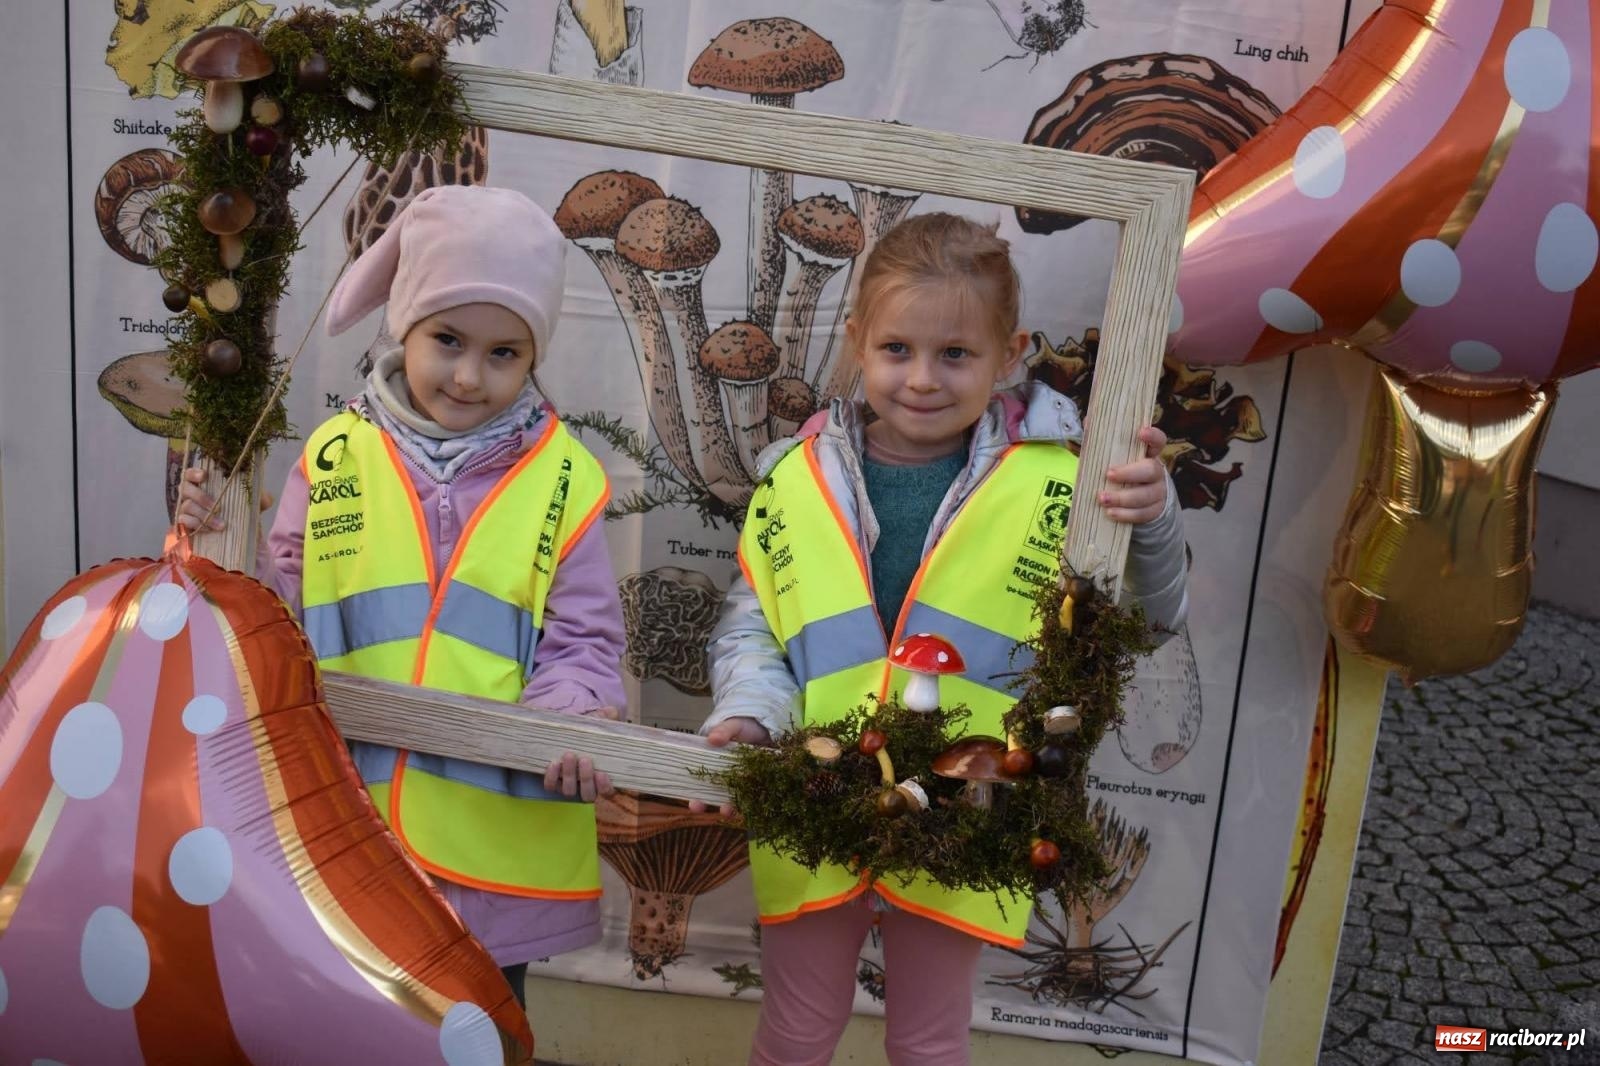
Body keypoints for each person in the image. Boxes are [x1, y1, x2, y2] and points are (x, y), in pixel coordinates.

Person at [702, 212, 1189, 1066]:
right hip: (816, 791)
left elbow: (1145, 624)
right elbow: (758, 623)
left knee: (929, 1044)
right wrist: (749, 711)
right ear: (856, 343)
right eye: (897, 349)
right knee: (794, 1034)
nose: (922, 379)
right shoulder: (798, 475)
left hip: (973, 806)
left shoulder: (1070, 479)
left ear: (1010, 355)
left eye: (956, 354)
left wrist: (1150, 521)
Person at [175, 185, 626, 1009]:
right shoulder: (333, 456)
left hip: (495, 847)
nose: (467, 374)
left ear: (534, 359)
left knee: (481, 1031)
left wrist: (574, 710)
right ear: (402, 327)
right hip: (350, 822)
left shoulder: (569, 478)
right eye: (447, 339)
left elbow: (587, 641)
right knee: (341, 1026)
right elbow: (272, 615)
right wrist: (208, 548)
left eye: (503, 353)